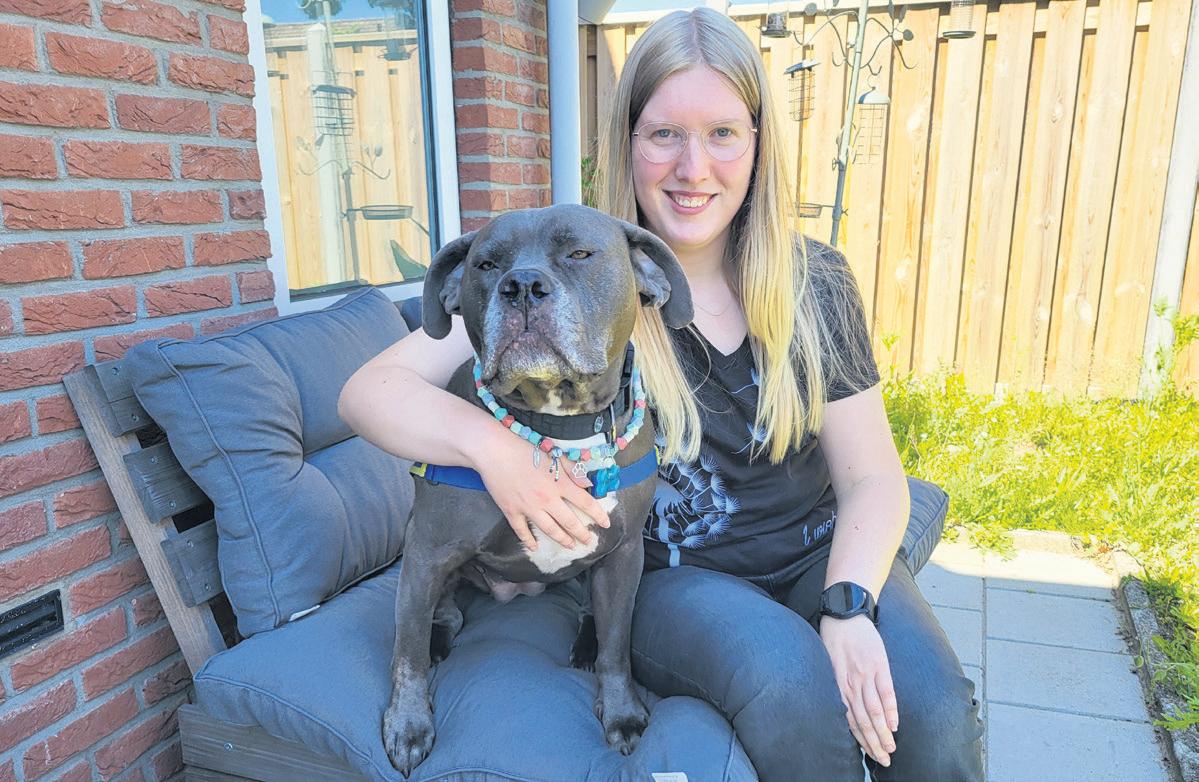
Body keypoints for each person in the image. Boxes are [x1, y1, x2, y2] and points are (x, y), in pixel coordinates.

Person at [339, 8, 984, 780]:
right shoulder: (583, 275)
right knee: (794, 693)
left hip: (816, 552)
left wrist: (848, 607)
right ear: (628, 142)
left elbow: (874, 477)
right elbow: (369, 391)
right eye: (664, 134)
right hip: (679, 577)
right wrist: (496, 451)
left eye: (721, 133)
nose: (692, 166)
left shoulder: (814, 281)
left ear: (757, 144)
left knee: (936, 715)